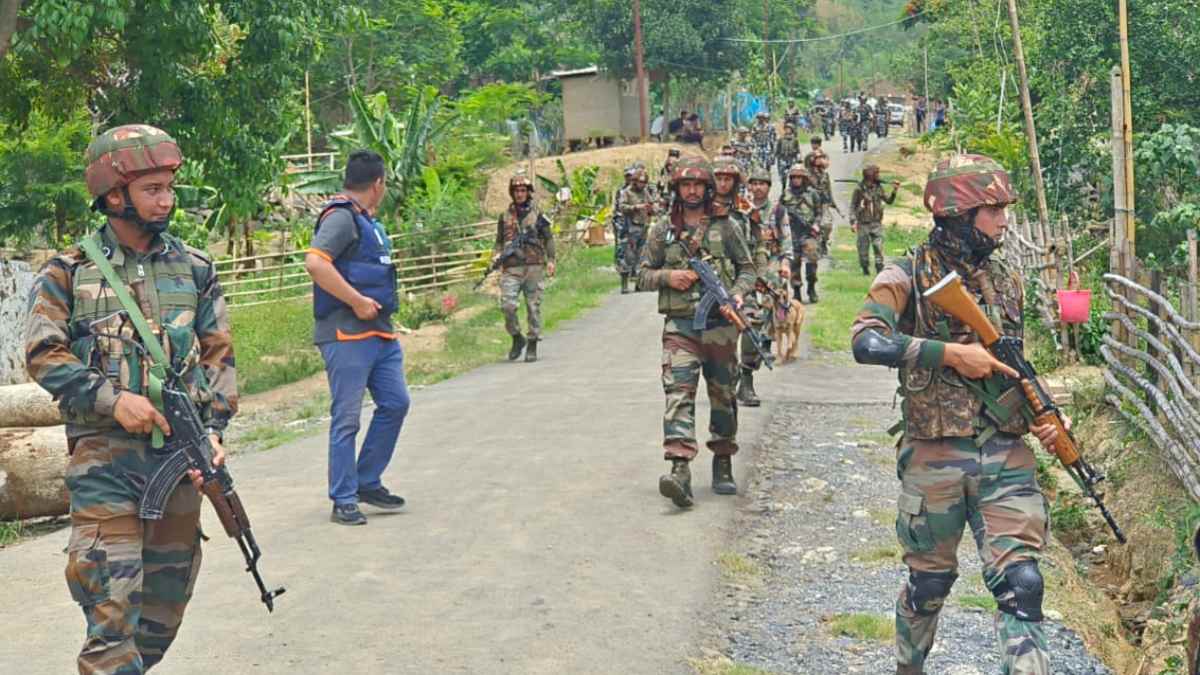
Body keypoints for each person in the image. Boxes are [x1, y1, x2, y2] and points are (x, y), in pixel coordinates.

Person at [25, 124, 236, 671]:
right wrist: (112, 399)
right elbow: (44, 353)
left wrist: (214, 432)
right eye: (152, 189)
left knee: (158, 624)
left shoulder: (195, 267)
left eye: (169, 188)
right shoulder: (68, 272)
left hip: (178, 465)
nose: (166, 200)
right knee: (113, 618)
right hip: (105, 465)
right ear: (114, 195)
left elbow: (218, 356)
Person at [850, 153, 1059, 675]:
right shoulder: (905, 274)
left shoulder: (1007, 279)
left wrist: (1044, 414)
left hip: (1005, 456)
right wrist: (947, 354)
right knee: (929, 585)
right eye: (994, 210)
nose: (1004, 220)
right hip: (933, 457)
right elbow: (866, 341)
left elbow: (1012, 366)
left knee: (1023, 584)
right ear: (959, 214)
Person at [637, 156, 756, 508]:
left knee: (723, 397)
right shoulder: (663, 228)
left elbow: (748, 269)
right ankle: (679, 469)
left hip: (721, 329)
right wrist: (667, 277)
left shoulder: (726, 226)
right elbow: (641, 273)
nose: (691, 191)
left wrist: (736, 295)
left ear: (707, 188)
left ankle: (723, 459)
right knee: (678, 394)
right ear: (677, 189)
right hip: (680, 328)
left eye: (698, 185)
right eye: (685, 185)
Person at [304, 150, 410, 526]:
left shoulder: (367, 221)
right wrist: (357, 300)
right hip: (346, 334)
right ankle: (344, 498)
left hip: (380, 332)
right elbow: (316, 262)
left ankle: (366, 480)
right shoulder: (341, 216)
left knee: (396, 403)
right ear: (378, 183)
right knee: (347, 417)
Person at [738, 164, 792, 407]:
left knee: (767, 304)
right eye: (754, 183)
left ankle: (750, 370)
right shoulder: (739, 207)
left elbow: (786, 239)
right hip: (740, 266)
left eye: (762, 183)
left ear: (769, 187)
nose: (758, 187)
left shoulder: (777, 210)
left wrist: (785, 262)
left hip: (767, 262)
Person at [493, 171, 556, 362]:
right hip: (511, 268)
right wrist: (496, 255)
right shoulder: (505, 216)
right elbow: (499, 241)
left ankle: (532, 342)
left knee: (533, 307)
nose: (519, 194)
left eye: (523, 190)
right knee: (508, 305)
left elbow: (548, 238)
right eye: (516, 191)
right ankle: (516, 337)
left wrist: (551, 260)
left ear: (528, 192)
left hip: (534, 266)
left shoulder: (538, 214)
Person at [780, 164, 822, 304]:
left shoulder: (812, 194)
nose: (796, 180)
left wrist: (816, 224)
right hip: (792, 234)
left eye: (799, 177)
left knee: (812, 261)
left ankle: (811, 287)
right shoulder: (786, 195)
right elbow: (778, 212)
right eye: (794, 177)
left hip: (808, 234)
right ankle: (797, 290)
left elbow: (819, 212)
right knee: (794, 264)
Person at [850, 164, 899, 275]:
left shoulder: (878, 188)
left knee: (878, 247)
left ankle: (879, 269)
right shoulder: (859, 189)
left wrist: (894, 191)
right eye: (876, 173)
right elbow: (852, 206)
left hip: (876, 223)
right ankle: (865, 269)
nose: (878, 176)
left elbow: (889, 201)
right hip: (863, 223)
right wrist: (853, 222)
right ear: (870, 175)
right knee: (863, 249)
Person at [618, 166, 658, 294]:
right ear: (635, 181)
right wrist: (636, 207)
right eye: (640, 182)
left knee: (641, 256)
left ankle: (638, 283)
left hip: (643, 226)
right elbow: (622, 207)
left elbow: (652, 204)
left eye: (644, 182)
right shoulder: (626, 192)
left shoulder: (645, 192)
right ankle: (624, 284)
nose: (642, 185)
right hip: (630, 227)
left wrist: (652, 209)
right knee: (628, 256)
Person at [809, 151, 838, 257]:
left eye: (821, 158)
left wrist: (832, 202)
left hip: (824, 203)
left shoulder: (825, 175)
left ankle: (823, 241)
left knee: (827, 225)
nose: (820, 160)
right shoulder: (807, 174)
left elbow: (828, 189)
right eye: (818, 158)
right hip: (811, 204)